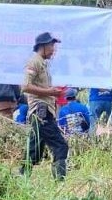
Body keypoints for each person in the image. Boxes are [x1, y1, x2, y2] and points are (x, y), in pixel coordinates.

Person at [21, 32, 68, 180]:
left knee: (34, 149)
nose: (54, 49)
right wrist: (50, 91)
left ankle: (21, 178)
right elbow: (25, 86)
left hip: (42, 111)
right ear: (43, 46)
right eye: (51, 45)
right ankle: (60, 182)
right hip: (41, 111)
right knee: (61, 146)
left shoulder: (43, 63)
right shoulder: (34, 62)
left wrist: (54, 93)